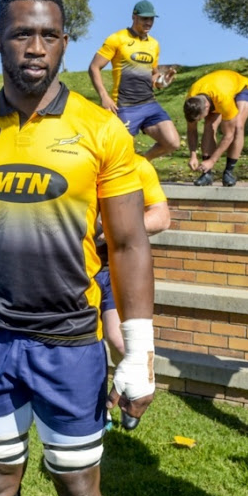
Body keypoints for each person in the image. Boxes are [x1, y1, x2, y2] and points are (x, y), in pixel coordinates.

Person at [0, 0, 155, 496]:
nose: (35, 48)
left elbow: (127, 244)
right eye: (21, 35)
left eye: (49, 35)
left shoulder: (102, 130)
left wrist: (139, 349)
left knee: (77, 486)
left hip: (70, 338)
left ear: (64, 42)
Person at [96, 155, 170, 366]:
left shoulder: (135, 165)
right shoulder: (68, 159)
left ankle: (130, 392)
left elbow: (162, 217)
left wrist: (113, 229)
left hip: (114, 269)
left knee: (119, 341)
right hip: (75, 267)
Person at [88, 0, 180, 161]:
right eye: (145, 18)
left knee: (172, 142)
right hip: (125, 106)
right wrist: (104, 96)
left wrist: (161, 82)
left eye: (151, 19)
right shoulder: (116, 39)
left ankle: (141, 163)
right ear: (134, 17)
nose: (149, 22)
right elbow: (94, 67)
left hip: (149, 104)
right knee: (120, 156)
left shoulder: (154, 44)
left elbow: (153, 75)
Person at [183, 69, 248, 187]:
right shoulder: (192, 100)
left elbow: (228, 135)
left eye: (200, 117)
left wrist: (212, 160)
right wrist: (193, 155)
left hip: (242, 88)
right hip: (214, 91)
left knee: (238, 127)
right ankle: (207, 174)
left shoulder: (223, 100)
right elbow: (191, 130)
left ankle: (229, 172)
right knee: (209, 125)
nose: (199, 120)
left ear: (206, 107)